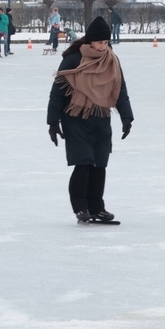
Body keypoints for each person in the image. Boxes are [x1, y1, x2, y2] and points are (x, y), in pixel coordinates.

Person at [47, 16, 133, 224]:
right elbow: (58, 91)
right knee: (83, 163)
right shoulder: (74, 58)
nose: (103, 47)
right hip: (75, 117)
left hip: (101, 117)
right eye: (100, 42)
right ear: (89, 41)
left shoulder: (112, 60)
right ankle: (81, 207)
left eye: (106, 42)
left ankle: (97, 207)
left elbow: (120, 89)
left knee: (99, 164)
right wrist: (53, 122)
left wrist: (126, 116)